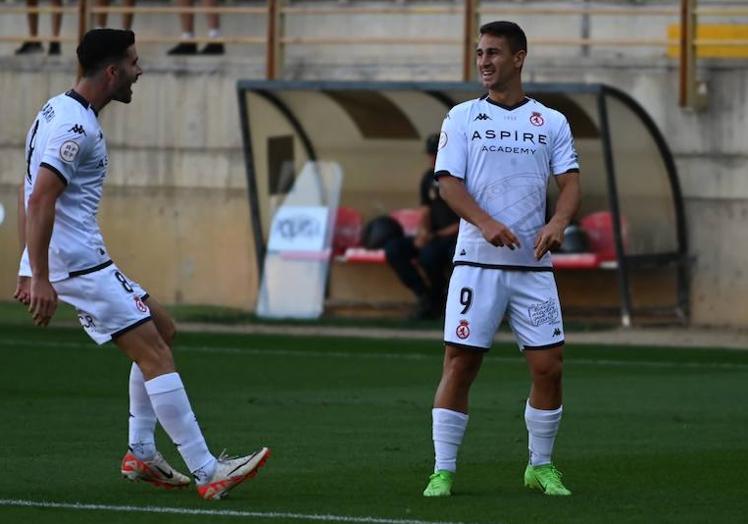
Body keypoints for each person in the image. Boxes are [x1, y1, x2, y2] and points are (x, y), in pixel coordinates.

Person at [13, 29, 269, 500]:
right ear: (112, 72)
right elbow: (41, 197)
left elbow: (27, 189)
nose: (139, 70)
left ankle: (142, 453)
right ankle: (208, 470)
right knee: (154, 353)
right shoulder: (76, 127)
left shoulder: (55, 109)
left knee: (162, 328)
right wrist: (41, 276)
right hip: (78, 265)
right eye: (133, 62)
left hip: (79, 259)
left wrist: (31, 265)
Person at [421, 21, 581, 497]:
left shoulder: (550, 121)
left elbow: (570, 183)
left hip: (534, 268)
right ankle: (443, 471)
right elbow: (448, 183)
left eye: (493, 53)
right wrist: (486, 222)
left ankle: (540, 466)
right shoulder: (462, 117)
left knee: (549, 367)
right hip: (478, 264)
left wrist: (558, 224)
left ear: (519, 58)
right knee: (460, 364)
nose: (484, 61)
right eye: (479, 53)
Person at [384, 134, 459, 319]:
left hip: (456, 235)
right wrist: (423, 233)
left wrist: (440, 234)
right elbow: (426, 209)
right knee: (395, 249)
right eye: (430, 154)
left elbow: (468, 217)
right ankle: (425, 296)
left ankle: (441, 299)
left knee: (430, 256)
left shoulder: (460, 175)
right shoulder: (429, 177)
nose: (432, 159)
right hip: (435, 235)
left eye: (436, 154)